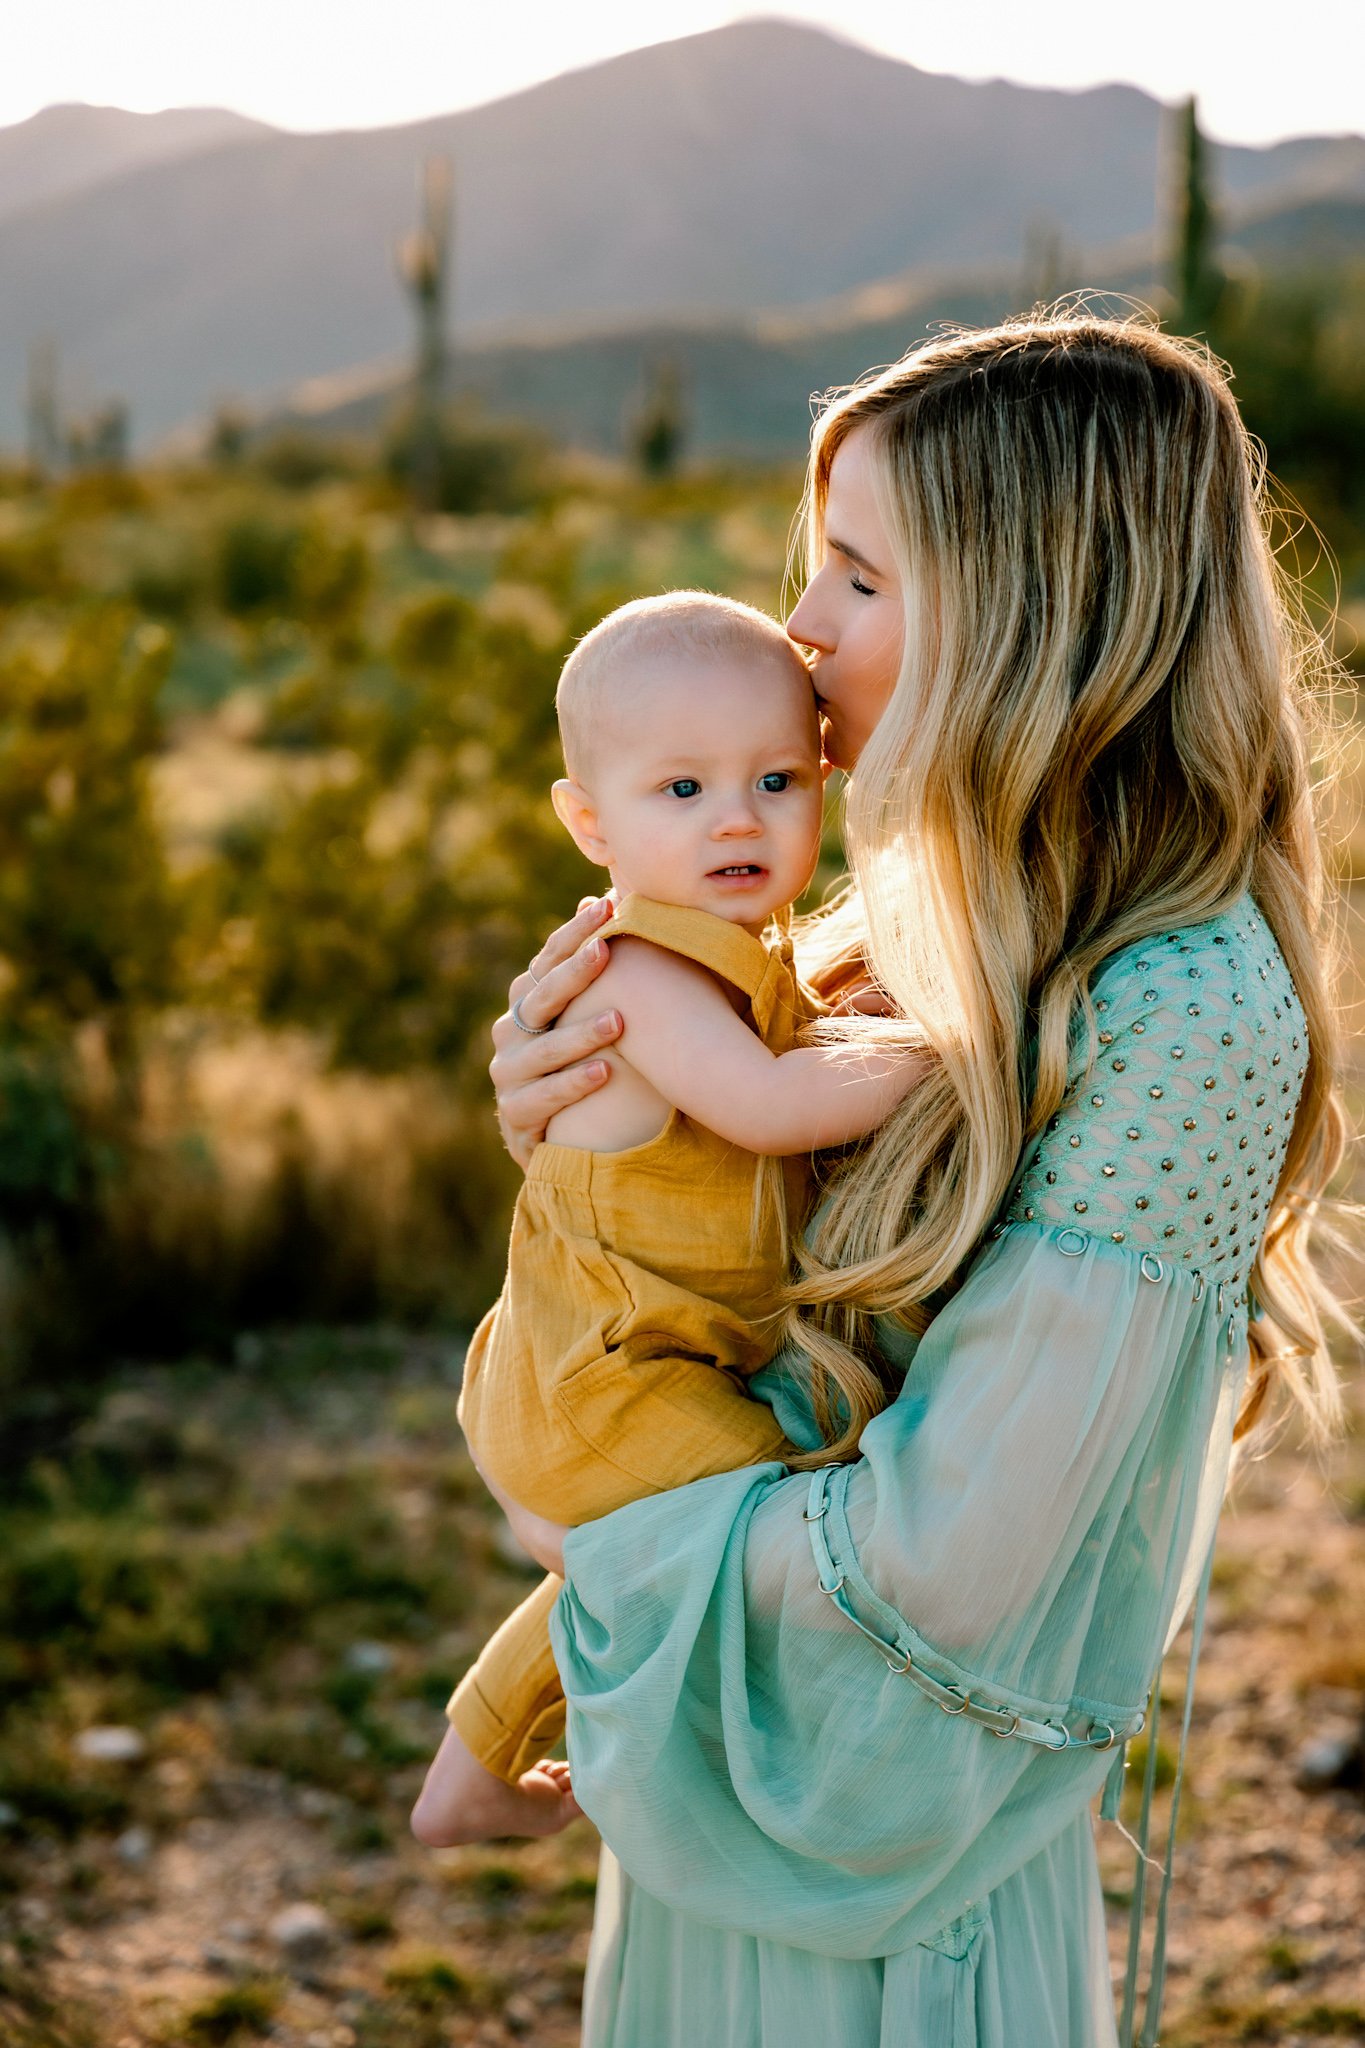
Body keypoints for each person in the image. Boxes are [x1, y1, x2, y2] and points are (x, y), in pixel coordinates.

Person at [426, 314, 1351, 2047]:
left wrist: (604, 1532)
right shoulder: (892, 931)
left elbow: (946, 1564)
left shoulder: (1185, 1006)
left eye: (857, 572)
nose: (801, 627)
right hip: (740, 1776)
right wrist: (576, 1135)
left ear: (1038, 607)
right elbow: (705, 1287)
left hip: (898, 1879)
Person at [412, 591, 929, 1846]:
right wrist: (950, 1045)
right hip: (605, 1377)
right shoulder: (639, 968)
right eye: (682, 790)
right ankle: (507, 1762)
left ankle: (481, 1763)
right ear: (589, 820)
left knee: (667, 1547)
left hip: (628, 1357)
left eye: (774, 778)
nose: (739, 817)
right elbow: (766, 1104)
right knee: (774, 1521)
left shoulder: (749, 950)